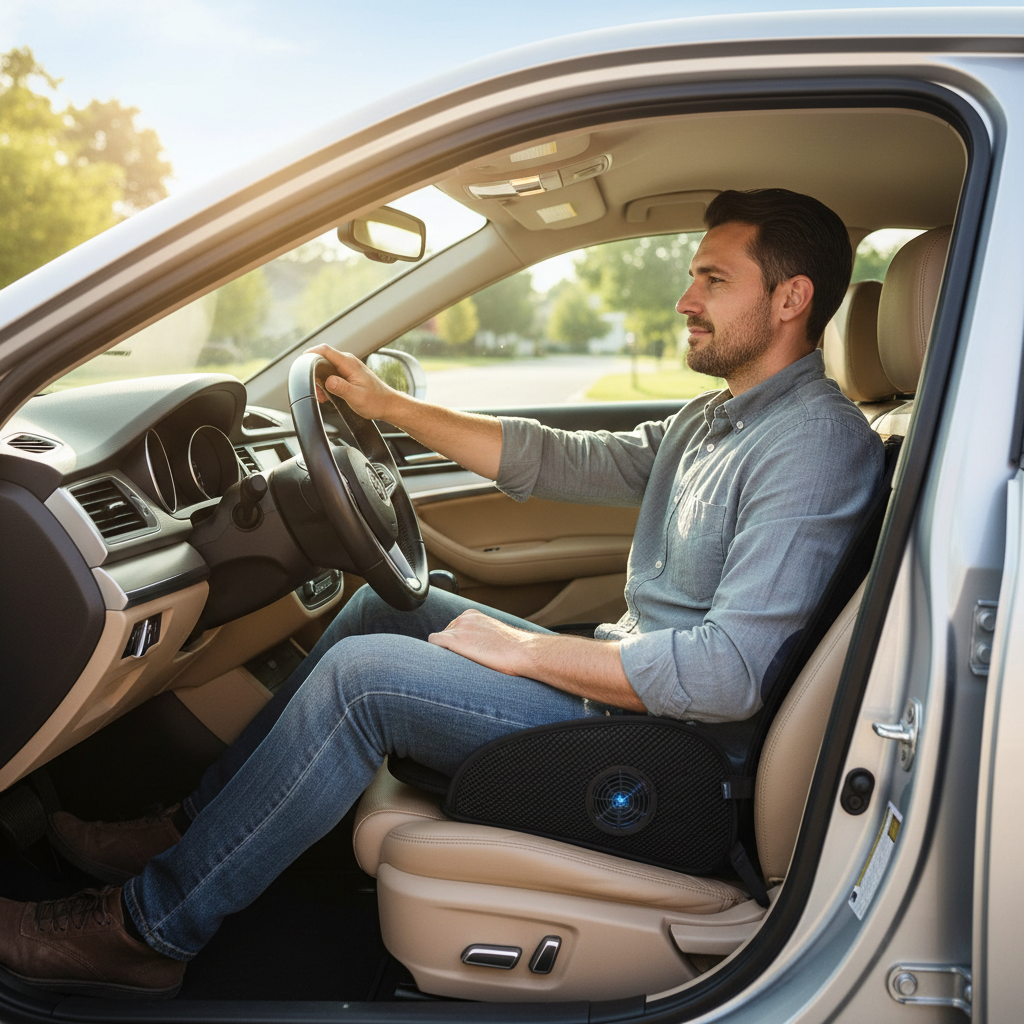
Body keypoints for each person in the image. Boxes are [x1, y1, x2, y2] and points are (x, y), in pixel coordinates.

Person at [0, 188, 883, 998]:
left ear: (790, 299)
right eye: (693, 277)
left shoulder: (812, 446)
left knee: (365, 679)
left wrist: (529, 651)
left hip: (672, 756)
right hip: (628, 693)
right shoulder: (715, 416)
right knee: (383, 608)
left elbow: (728, 675)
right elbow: (563, 458)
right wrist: (393, 409)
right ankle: (187, 832)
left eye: (712, 280)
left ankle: (150, 931)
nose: (686, 300)